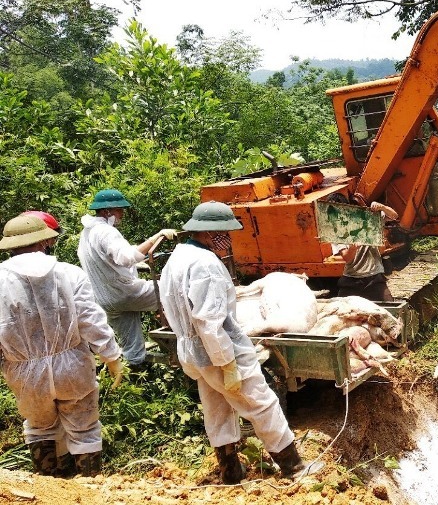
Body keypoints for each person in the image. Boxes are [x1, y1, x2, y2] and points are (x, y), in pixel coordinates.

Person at [159, 201, 317, 484]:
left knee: (217, 408)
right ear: (209, 234)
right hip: (219, 351)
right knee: (262, 403)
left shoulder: (177, 258)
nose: (229, 240)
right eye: (225, 234)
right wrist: (227, 361)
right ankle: (293, 466)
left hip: (195, 353)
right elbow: (208, 320)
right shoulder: (206, 264)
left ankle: (230, 470)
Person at [0, 214, 123, 477]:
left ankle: (49, 489)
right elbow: (91, 321)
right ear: (44, 241)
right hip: (72, 366)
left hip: (23, 371)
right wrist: (111, 356)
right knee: (84, 428)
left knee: (39, 427)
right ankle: (89, 488)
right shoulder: (68, 273)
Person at [77, 189, 176, 369]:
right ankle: (184, 342)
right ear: (108, 212)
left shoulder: (86, 234)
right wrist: (156, 238)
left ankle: (135, 377)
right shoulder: (106, 231)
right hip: (125, 293)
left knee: (132, 345)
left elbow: (108, 260)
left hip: (105, 299)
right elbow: (126, 257)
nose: (122, 214)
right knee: (174, 289)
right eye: (119, 210)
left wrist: (136, 265)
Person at [327, 193, 399, 302]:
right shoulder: (336, 231)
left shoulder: (368, 218)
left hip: (374, 276)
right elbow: (347, 258)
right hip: (351, 279)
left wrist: (381, 207)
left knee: (391, 307)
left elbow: (394, 216)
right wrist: (353, 248)